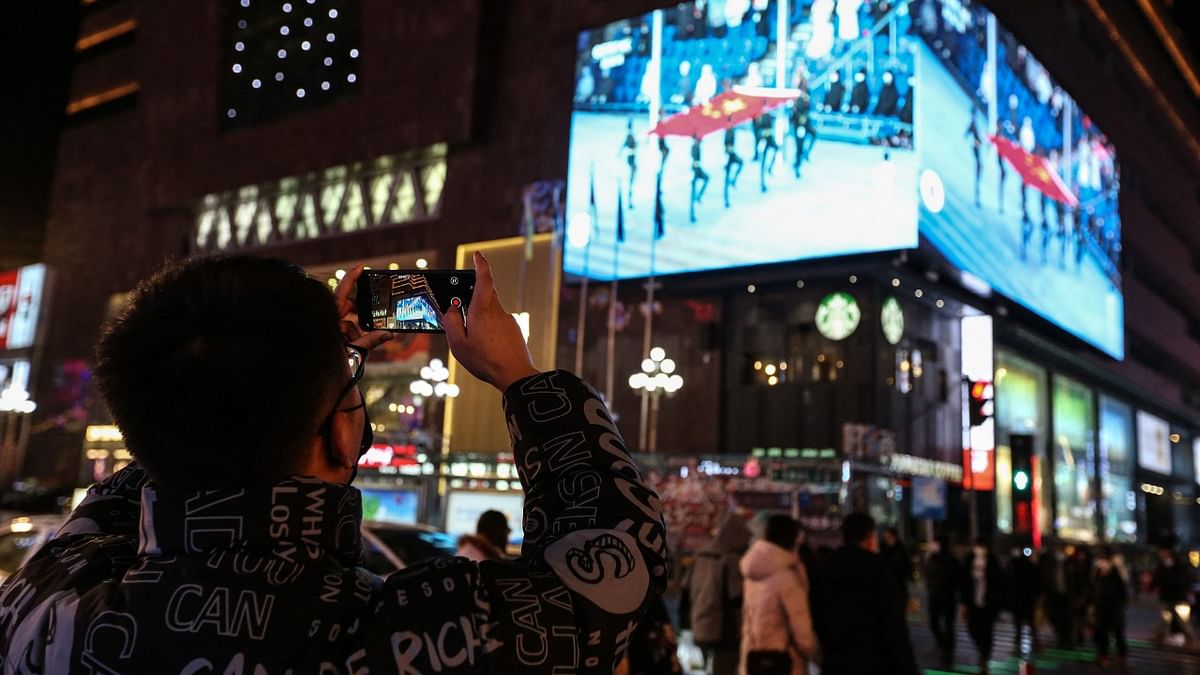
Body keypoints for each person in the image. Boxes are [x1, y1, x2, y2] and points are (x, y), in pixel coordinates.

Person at [0, 255, 668, 672]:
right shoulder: (396, 637)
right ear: (342, 438)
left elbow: (173, 441)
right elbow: (615, 569)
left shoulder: (44, 608)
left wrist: (315, 371)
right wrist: (518, 375)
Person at [810, 512, 917, 674]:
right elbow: (894, 626)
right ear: (869, 538)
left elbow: (814, 612)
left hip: (835, 660)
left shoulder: (825, 566)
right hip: (874, 662)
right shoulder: (879, 568)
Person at [740, 515, 818, 675]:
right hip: (785, 662)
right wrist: (817, 655)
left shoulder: (752, 575)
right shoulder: (787, 577)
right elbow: (802, 633)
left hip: (754, 660)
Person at [687, 513, 752, 675]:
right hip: (724, 629)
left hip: (700, 624)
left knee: (706, 667)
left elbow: (686, 587)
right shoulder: (730, 559)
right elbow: (736, 595)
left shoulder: (701, 556)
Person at [962, 538, 1004, 674]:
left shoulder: (993, 561)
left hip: (989, 603)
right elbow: (963, 582)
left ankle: (985, 657)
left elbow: (999, 582)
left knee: (987, 631)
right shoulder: (968, 560)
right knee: (972, 627)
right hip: (972, 602)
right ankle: (982, 649)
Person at [925, 535, 960, 669]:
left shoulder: (951, 560)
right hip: (935, 596)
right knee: (933, 622)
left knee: (948, 624)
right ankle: (942, 643)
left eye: (935, 543)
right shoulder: (931, 558)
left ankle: (948, 649)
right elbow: (928, 575)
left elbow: (957, 578)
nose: (933, 546)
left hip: (948, 597)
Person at [1153, 540, 1197, 645]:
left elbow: (1183, 580)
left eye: (1163, 552)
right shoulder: (1161, 565)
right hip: (1166, 598)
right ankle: (1164, 640)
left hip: (1179, 598)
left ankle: (1192, 642)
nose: (1161, 554)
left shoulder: (1180, 564)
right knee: (1165, 621)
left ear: (1168, 552)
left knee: (1183, 622)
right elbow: (1157, 579)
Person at [1093, 548, 1129, 666]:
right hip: (1101, 608)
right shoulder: (1097, 572)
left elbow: (1123, 591)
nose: (1102, 563)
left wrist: (1120, 605)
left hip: (1115, 608)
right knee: (1102, 632)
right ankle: (1103, 655)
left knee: (1117, 632)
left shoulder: (1117, 573)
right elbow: (1093, 588)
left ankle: (1122, 655)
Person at [1006, 547, 1040, 655]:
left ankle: (1021, 644)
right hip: (1025, 599)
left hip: (1020, 599)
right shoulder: (1029, 566)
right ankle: (1034, 641)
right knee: (1027, 622)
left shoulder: (1015, 566)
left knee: (1019, 624)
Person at [880, 526, 912, 604]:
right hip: (886, 582)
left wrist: (909, 575)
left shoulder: (900, 548)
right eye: (885, 535)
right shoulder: (881, 548)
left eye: (888, 536)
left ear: (893, 536)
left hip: (899, 581)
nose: (886, 537)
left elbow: (906, 563)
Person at [723, 123, 744, 209]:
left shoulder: (731, 131)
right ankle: (726, 200)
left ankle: (733, 180)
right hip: (729, 156)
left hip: (732, 155)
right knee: (726, 180)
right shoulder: (729, 132)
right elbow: (726, 144)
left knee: (741, 163)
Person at [689, 135, 709, 223]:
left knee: (707, 179)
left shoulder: (697, 147)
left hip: (698, 169)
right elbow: (694, 159)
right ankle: (692, 215)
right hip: (694, 171)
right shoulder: (694, 147)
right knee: (692, 193)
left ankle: (699, 196)